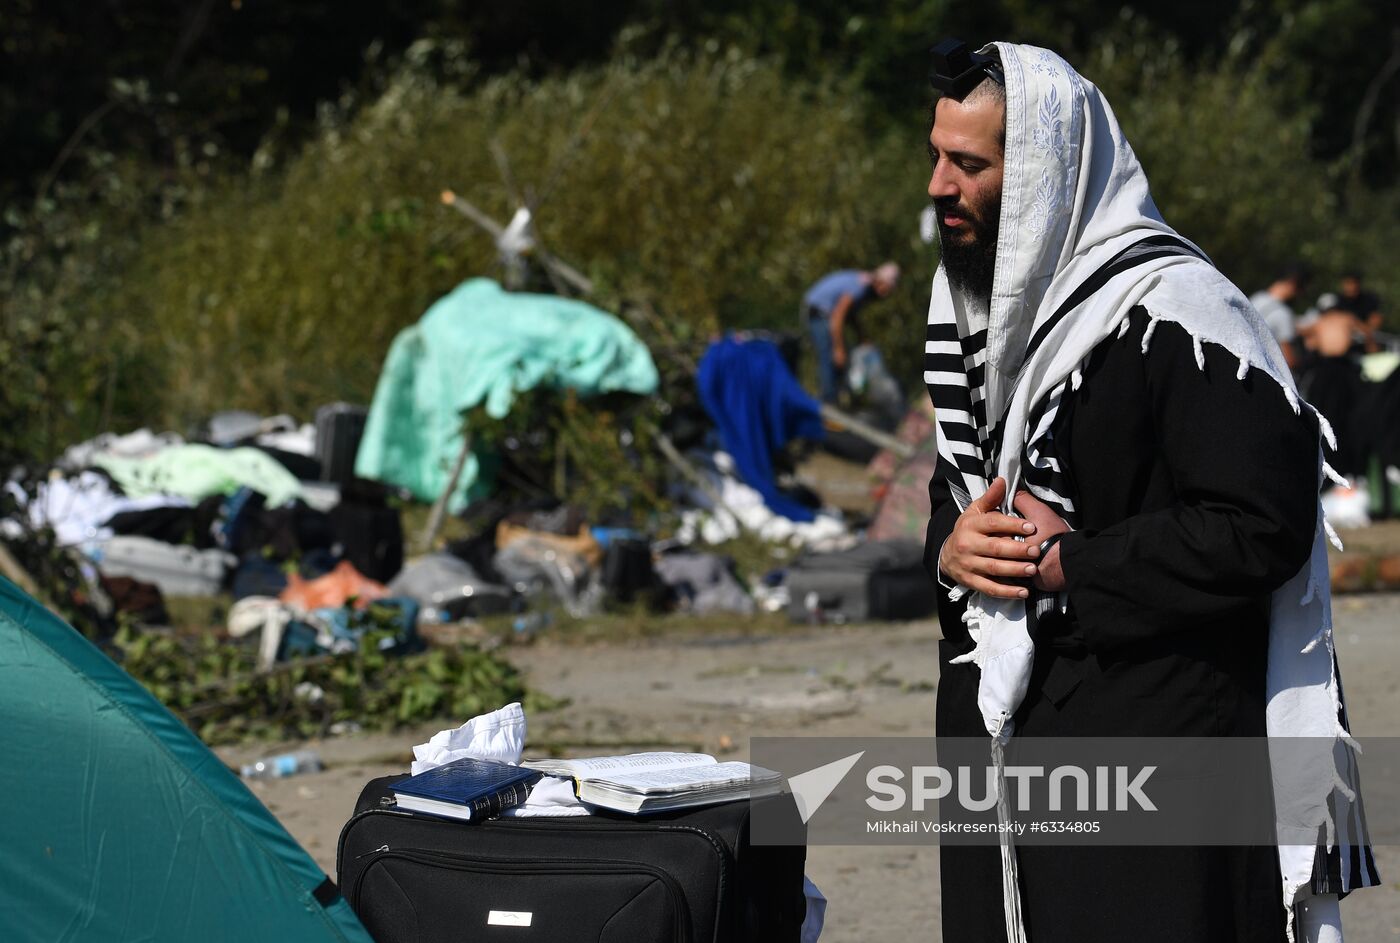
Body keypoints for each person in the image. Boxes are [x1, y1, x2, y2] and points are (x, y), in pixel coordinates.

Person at [921, 41, 1376, 942]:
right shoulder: (972, 307)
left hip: (1156, 744)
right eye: (935, 155)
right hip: (1000, 743)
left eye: (967, 164)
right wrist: (950, 544)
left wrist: (1069, 567)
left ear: (1045, 175)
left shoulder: (1179, 313)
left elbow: (1261, 525)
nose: (938, 185)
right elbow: (956, 486)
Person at [801, 263, 900, 402]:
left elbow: (851, 316)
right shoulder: (860, 287)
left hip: (822, 313)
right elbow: (838, 318)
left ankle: (841, 398)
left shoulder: (863, 283)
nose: (885, 293)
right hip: (818, 312)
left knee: (841, 359)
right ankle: (829, 403)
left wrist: (862, 338)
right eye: (887, 288)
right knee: (830, 357)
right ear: (880, 281)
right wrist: (838, 349)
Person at [1249, 264, 1310, 370]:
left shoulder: (1256, 298)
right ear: (1293, 283)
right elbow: (1288, 360)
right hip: (1265, 370)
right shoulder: (1283, 313)